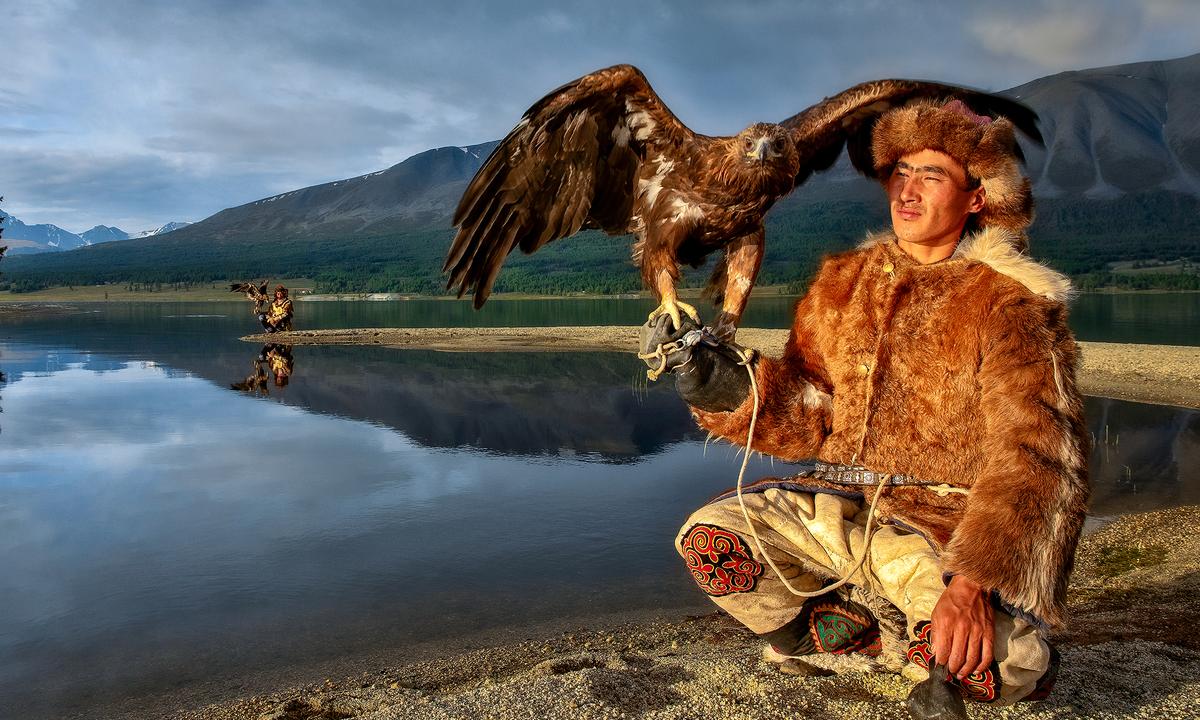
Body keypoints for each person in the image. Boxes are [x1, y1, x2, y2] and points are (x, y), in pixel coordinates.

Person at [640, 99, 1089, 718]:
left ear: (977, 198)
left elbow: (1038, 457)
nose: (906, 192)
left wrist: (973, 583)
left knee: (1002, 667)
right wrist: (719, 385)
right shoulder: (842, 282)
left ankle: (911, 633)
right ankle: (841, 629)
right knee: (713, 539)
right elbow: (806, 406)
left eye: (931, 176)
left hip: (942, 525)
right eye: (899, 173)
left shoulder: (1012, 304)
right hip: (835, 508)